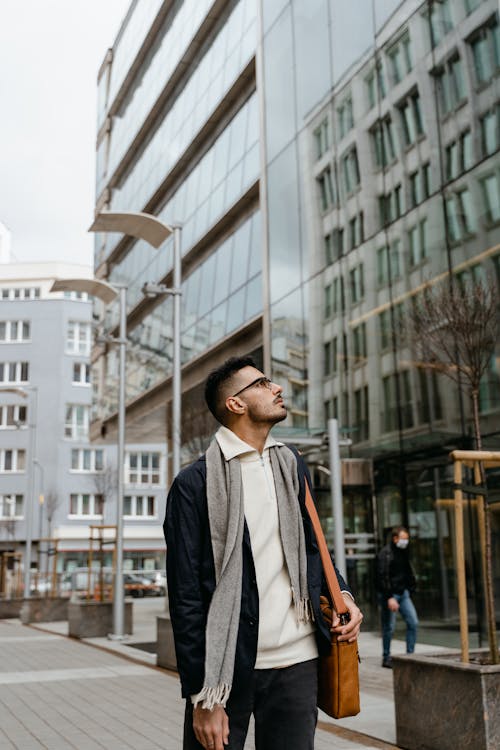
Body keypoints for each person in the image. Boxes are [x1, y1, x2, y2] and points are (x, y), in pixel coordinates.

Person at [165, 356, 363, 750]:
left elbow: (312, 547)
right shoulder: (194, 484)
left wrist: (344, 595)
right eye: (262, 383)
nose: (276, 388)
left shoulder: (291, 465)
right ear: (235, 404)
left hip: (297, 663)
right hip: (227, 672)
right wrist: (202, 697)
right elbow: (185, 596)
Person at [376, 526, 418, 669]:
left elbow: (408, 571)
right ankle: (386, 657)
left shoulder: (404, 552)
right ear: (395, 538)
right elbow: (382, 577)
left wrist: (411, 588)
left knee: (413, 622)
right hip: (391, 595)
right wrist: (389, 597)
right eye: (403, 538)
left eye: (407, 539)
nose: (405, 541)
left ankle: (410, 656)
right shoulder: (385, 553)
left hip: (403, 594)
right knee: (389, 627)